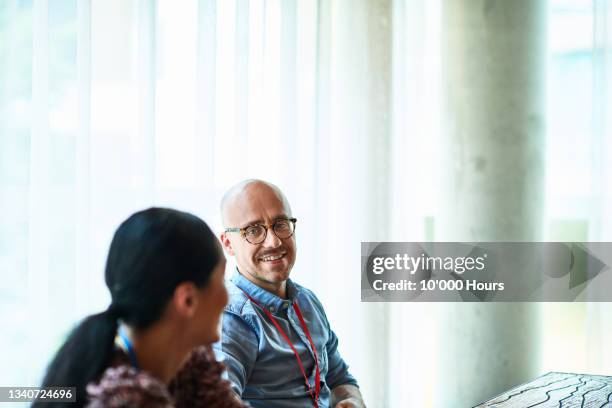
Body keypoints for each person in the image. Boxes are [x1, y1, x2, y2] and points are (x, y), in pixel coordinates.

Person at [36, 208, 248, 408]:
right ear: (188, 300)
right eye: (221, 280)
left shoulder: (190, 367)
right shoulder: (127, 399)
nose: (226, 297)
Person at [216, 180, 366, 408]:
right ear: (228, 244)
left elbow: (340, 378)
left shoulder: (307, 301)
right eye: (254, 230)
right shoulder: (232, 317)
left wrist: (350, 400)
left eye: (280, 224)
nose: (274, 241)